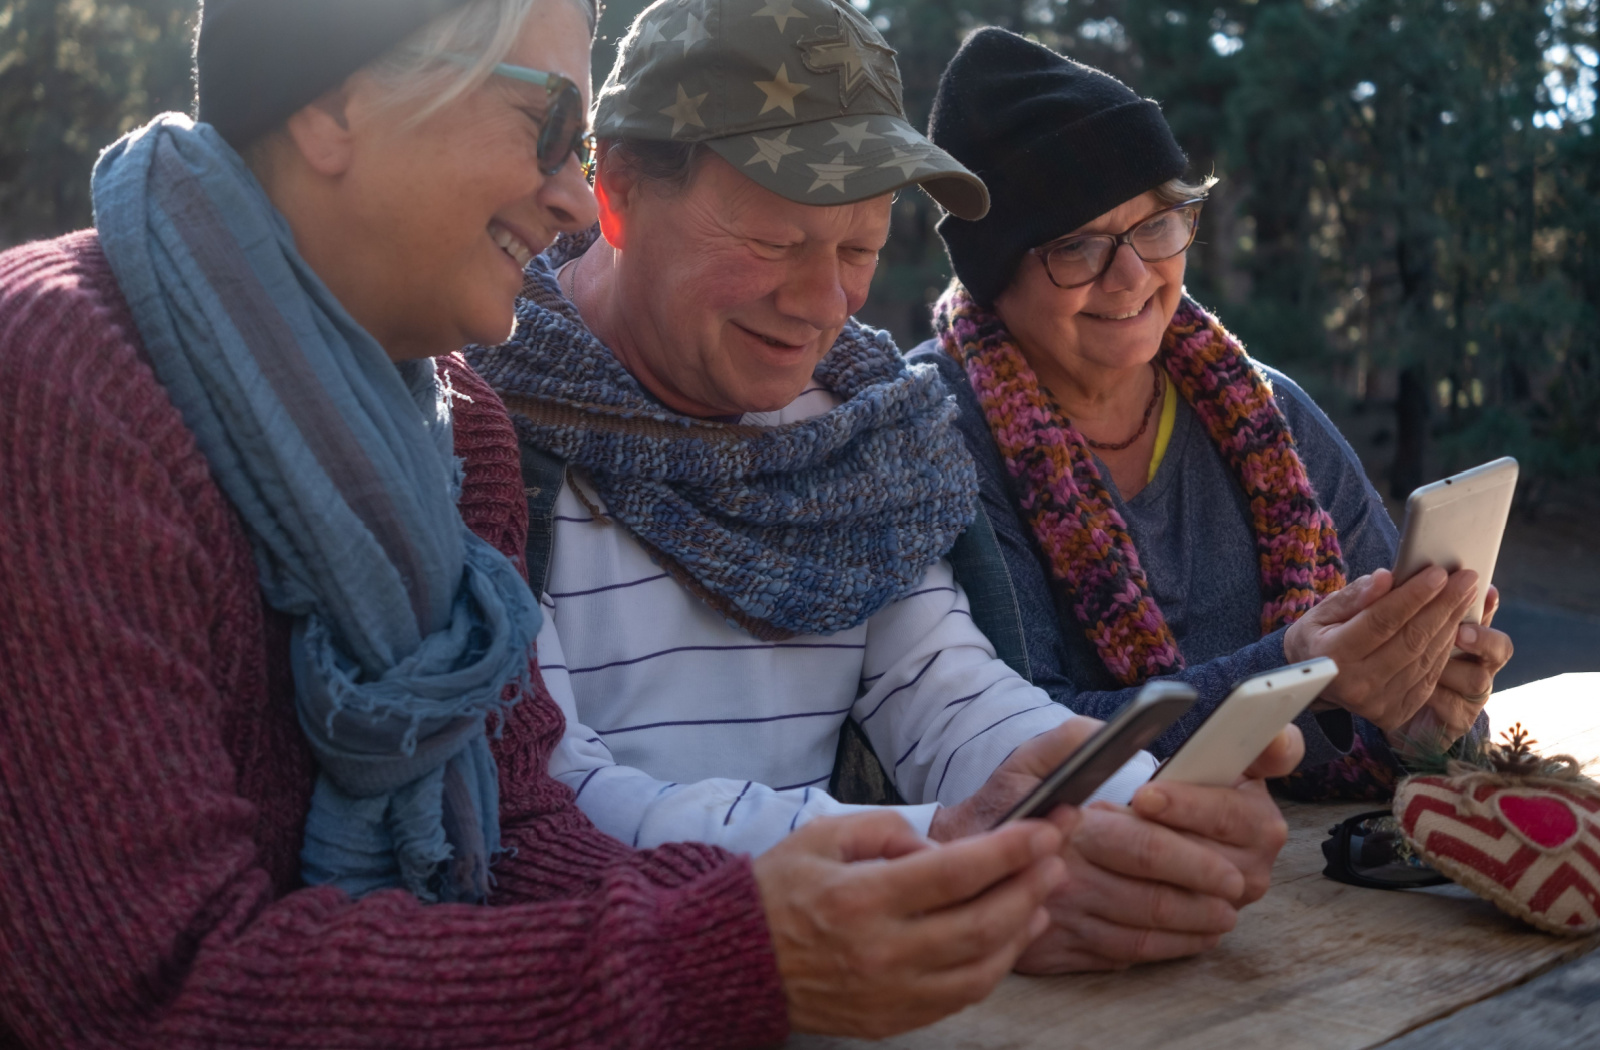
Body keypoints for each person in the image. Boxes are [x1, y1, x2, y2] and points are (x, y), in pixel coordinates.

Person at [0, 1, 1096, 1043]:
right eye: (548, 128)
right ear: (334, 102)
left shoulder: (452, 417)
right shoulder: (59, 381)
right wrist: (741, 952)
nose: (571, 199)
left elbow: (521, 837)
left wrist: (895, 884)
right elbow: (141, 997)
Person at [469, 0, 1298, 975]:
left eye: (857, 249)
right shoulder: (482, 428)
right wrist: (932, 854)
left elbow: (942, 689)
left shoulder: (864, 429)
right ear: (617, 192)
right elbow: (541, 798)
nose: (823, 304)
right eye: (775, 243)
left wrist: (1121, 812)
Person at [908, 27, 1514, 798]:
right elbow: (1019, 745)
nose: (1131, 276)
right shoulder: (938, 434)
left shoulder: (1269, 415)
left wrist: (1418, 722)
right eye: (1077, 245)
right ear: (994, 273)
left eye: (1155, 223)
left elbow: (1372, 725)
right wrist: (1298, 674)